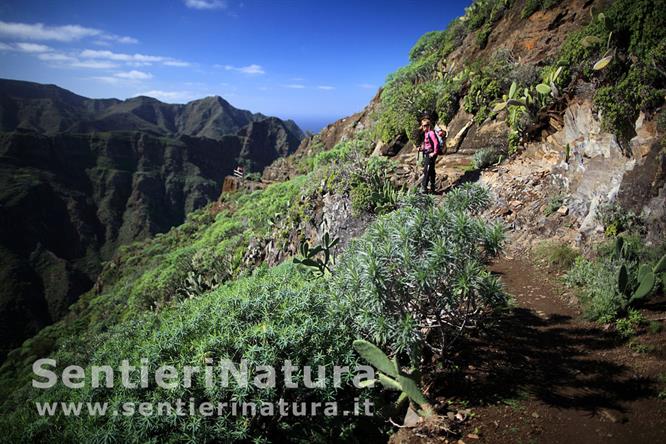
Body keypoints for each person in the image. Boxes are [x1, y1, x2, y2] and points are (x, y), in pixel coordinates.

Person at [420, 118, 439, 193]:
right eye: (423, 126)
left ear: (429, 125)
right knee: (431, 170)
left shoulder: (431, 133)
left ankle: (424, 188)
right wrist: (421, 149)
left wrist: (434, 153)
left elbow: (436, 143)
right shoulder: (426, 133)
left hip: (431, 154)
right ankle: (432, 187)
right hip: (427, 153)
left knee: (426, 170)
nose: (424, 127)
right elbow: (427, 144)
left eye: (426, 125)